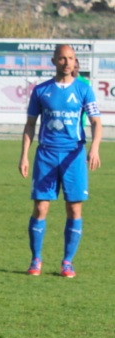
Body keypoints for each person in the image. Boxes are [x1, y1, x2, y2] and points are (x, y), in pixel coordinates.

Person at [18, 44, 102, 278]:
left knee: (74, 208)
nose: (67, 62)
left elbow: (96, 122)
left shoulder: (84, 89)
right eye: (62, 58)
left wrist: (94, 148)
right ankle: (36, 259)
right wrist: (24, 155)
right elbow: (30, 124)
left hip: (73, 155)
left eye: (71, 58)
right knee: (40, 207)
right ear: (54, 61)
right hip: (46, 155)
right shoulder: (41, 90)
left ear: (75, 62)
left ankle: (67, 262)